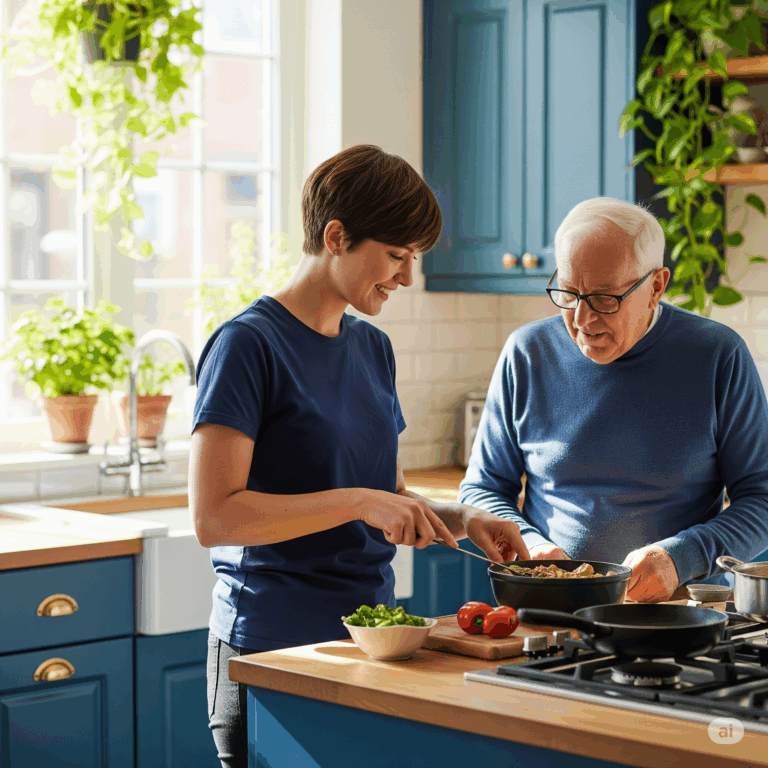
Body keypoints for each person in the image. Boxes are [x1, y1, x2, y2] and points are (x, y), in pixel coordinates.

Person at [189, 144, 530, 768]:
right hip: (270, 648)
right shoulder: (248, 346)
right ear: (337, 236)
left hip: (372, 640)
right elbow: (216, 517)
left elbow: (388, 495)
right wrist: (359, 502)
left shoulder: (373, 348)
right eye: (396, 256)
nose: (406, 277)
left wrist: (464, 520)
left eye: (414, 259)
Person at [459, 197, 768, 604]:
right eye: (569, 294)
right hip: (548, 605)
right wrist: (532, 549)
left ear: (656, 286)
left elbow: (761, 499)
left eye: (605, 298)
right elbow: (480, 491)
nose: (583, 321)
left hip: (677, 612)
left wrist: (680, 558)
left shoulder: (717, 355)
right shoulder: (527, 353)